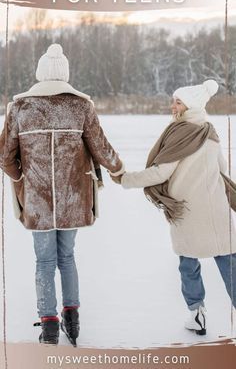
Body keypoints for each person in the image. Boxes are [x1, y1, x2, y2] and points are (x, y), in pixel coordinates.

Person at [0, 44, 124, 346]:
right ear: (64, 74)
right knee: (67, 257)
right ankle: (72, 318)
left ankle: (49, 323)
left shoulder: (20, 108)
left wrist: (22, 178)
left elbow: (4, 155)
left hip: (37, 200)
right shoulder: (81, 107)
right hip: (73, 198)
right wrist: (119, 170)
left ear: (40, 73)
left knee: (44, 261)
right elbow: (101, 148)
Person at [110, 80, 236, 335]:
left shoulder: (180, 132)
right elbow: (222, 169)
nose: (173, 106)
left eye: (178, 101)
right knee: (227, 260)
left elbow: (160, 173)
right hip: (216, 208)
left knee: (189, 263)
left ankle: (196, 312)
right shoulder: (209, 132)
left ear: (190, 105)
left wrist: (126, 179)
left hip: (187, 210)